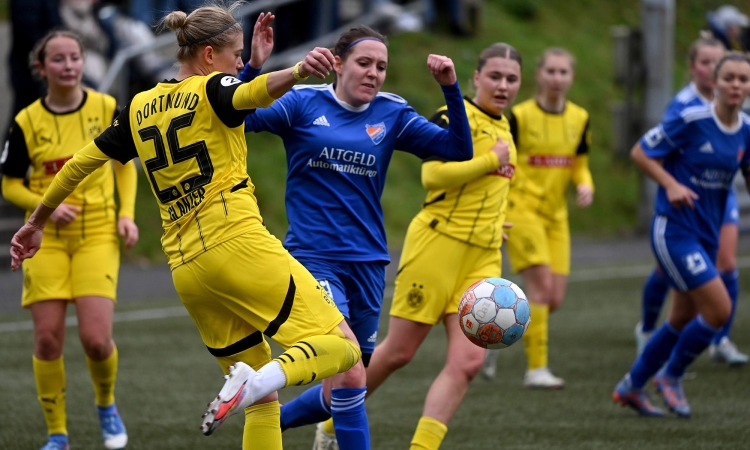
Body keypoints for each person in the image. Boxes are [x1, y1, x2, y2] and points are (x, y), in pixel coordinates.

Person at [10, 6, 364, 450]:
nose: (240, 62)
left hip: (187, 268)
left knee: (263, 403)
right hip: (235, 242)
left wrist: (34, 222)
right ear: (209, 54)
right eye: (235, 54)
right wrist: (295, 70)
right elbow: (250, 92)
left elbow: (81, 162)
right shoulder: (212, 87)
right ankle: (256, 380)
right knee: (344, 348)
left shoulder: (138, 105)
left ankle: (254, 383)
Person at [241, 24, 473, 450]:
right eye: (364, 63)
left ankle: (272, 427)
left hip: (368, 265)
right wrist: (254, 64)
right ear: (337, 63)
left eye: (381, 66)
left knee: (345, 388)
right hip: (314, 259)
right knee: (349, 373)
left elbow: (458, 150)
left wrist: (450, 88)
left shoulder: (393, 114)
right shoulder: (301, 103)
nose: (373, 73)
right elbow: (243, 113)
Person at [361, 42, 521, 450]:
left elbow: (494, 186)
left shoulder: (509, 126)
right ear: (477, 78)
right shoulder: (454, 116)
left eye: (512, 79)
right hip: (437, 243)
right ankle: (331, 424)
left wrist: (492, 219)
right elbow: (432, 178)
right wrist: (489, 160)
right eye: (495, 76)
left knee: (469, 362)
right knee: (398, 352)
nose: (503, 86)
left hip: (483, 253)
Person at [0, 30, 139, 450]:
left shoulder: (106, 107)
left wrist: (126, 215)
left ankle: (106, 405)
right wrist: (47, 205)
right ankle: (57, 434)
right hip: (46, 240)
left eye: (75, 57)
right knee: (46, 340)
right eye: (58, 59)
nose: (68, 65)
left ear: (83, 61)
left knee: (97, 341)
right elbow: (9, 185)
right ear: (42, 69)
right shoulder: (26, 120)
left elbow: (125, 165)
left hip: (97, 233)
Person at [613, 52, 750, 417]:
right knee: (719, 310)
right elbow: (640, 152)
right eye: (729, 78)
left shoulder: (747, 129)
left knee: (682, 317)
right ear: (714, 83)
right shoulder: (690, 118)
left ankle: (631, 386)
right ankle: (670, 375)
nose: (736, 85)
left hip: (707, 231)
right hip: (674, 229)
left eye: (743, 79)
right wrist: (671, 184)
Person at [481, 47, 593, 388]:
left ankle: (495, 326)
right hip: (522, 209)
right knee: (541, 288)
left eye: (564, 72)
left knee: (553, 298)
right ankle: (536, 370)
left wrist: (585, 184)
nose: (557, 78)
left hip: (556, 216)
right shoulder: (518, 116)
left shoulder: (580, 117)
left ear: (572, 77)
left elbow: (579, 163)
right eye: (551, 71)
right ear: (539, 75)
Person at [634, 37, 748, 365]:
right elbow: (647, 152)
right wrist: (671, 185)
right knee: (672, 275)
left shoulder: (739, 109)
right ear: (696, 69)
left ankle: (718, 339)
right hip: (684, 206)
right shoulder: (684, 109)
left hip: (718, 198)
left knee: (726, 263)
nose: (711, 67)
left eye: (717, 61)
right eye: (705, 62)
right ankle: (649, 334)